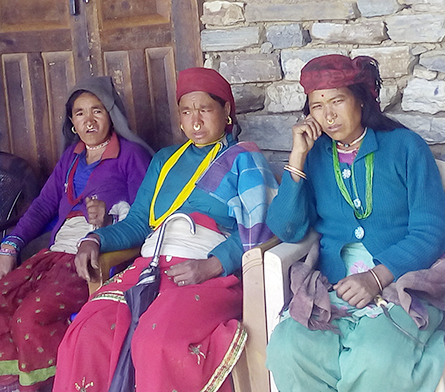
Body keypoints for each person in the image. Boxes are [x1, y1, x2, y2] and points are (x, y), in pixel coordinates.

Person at [52, 67, 278, 392]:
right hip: (151, 269)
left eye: (204, 109)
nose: (195, 121)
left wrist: (214, 264)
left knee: (157, 339)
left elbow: (263, 229)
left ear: (227, 110)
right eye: (186, 112)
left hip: (207, 272)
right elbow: (139, 222)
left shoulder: (245, 159)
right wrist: (95, 238)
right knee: (87, 333)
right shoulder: (164, 160)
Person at [265, 54, 445, 392]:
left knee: (374, 358)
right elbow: (286, 230)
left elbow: (434, 232)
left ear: (362, 100)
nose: (328, 114)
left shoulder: (405, 147)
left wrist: (377, 277)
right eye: (317, 105)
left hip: (400, 284)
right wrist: (297, 159)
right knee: (288, 347)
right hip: (333, 291)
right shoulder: (316, 154)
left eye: (337, 100)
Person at [0, 76, 152, 392]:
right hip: (52, 255)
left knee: (30, 316)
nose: (89, 120)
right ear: (72, 122)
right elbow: (43, 205)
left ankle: (53, 384)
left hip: (92, 259)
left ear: (111, 114)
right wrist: (10, 244)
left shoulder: (131, 156)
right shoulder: (70, 159)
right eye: (80, 113)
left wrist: (109, 216)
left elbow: (146, 217)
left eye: (97, 110)